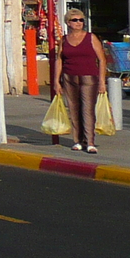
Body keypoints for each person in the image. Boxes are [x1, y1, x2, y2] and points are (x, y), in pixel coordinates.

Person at [52, 8, 108, 154]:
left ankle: (89, 141)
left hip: (89, 77)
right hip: (69, 77)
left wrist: (102, 81)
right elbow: (59, 59)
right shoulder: (64, 40)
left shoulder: (91, 38)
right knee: (73, 109)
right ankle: (77, 140)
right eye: (75, 20)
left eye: (81, 20)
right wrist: (56, 81)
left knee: (88, 109)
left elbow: (102, 59)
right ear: (68, 23)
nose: (78, 23)